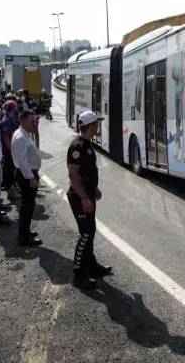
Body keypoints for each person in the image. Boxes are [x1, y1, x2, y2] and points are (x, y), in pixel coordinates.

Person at [67, 111, 112, 289]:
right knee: (85, 234)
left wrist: (94, 190)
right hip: (79, 197)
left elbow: (86, 173)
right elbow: (73, 175)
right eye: (96, 124)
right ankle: (79, 274)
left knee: (91, 231)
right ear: (91, 126)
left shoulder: (86, 144)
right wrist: (84, 197)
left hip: (87, 195)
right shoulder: (78, 147)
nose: (98, 126)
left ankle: (91, 265)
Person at [12, 110, 42, 246]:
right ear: (23, 121)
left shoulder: (25, 133)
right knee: (27, 207)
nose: (34, 123)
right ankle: (24, 238)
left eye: (35, 121)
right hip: (26, 175)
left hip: (28, 173)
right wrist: (31, 178)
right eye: (32, 121)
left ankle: (26, 231)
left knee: (28, 205)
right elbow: (22, 161)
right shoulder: (20, 138)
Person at [0, 100, 19, 199]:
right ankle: (10, 191)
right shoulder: (6, 121)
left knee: (12, 169)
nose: (16, 109)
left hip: (12, 148)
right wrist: (11, 152)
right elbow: (6, 138)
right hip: (8, 150)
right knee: (10, 169)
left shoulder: (11, 118)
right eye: (15, 107)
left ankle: (12, 187)